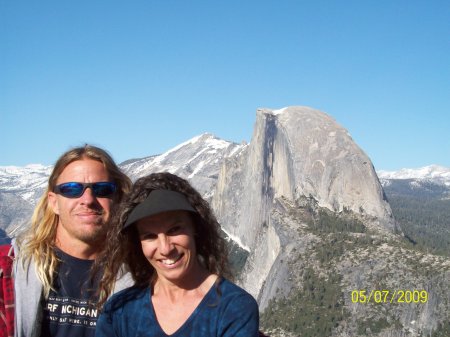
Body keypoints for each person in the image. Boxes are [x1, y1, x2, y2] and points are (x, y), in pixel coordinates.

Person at [94, 172, 259, 337]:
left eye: (174, 230)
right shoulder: (118, 311)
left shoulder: (234, 308)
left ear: (195, 228)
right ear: (138, 244)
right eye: (149, 236)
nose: (165, 248)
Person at [13, 145, 132, 337]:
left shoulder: (140, 276)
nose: (88, 199)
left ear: (117, 199)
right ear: (53, 202)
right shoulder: (12, 271)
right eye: (71, 189)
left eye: (102, 189)